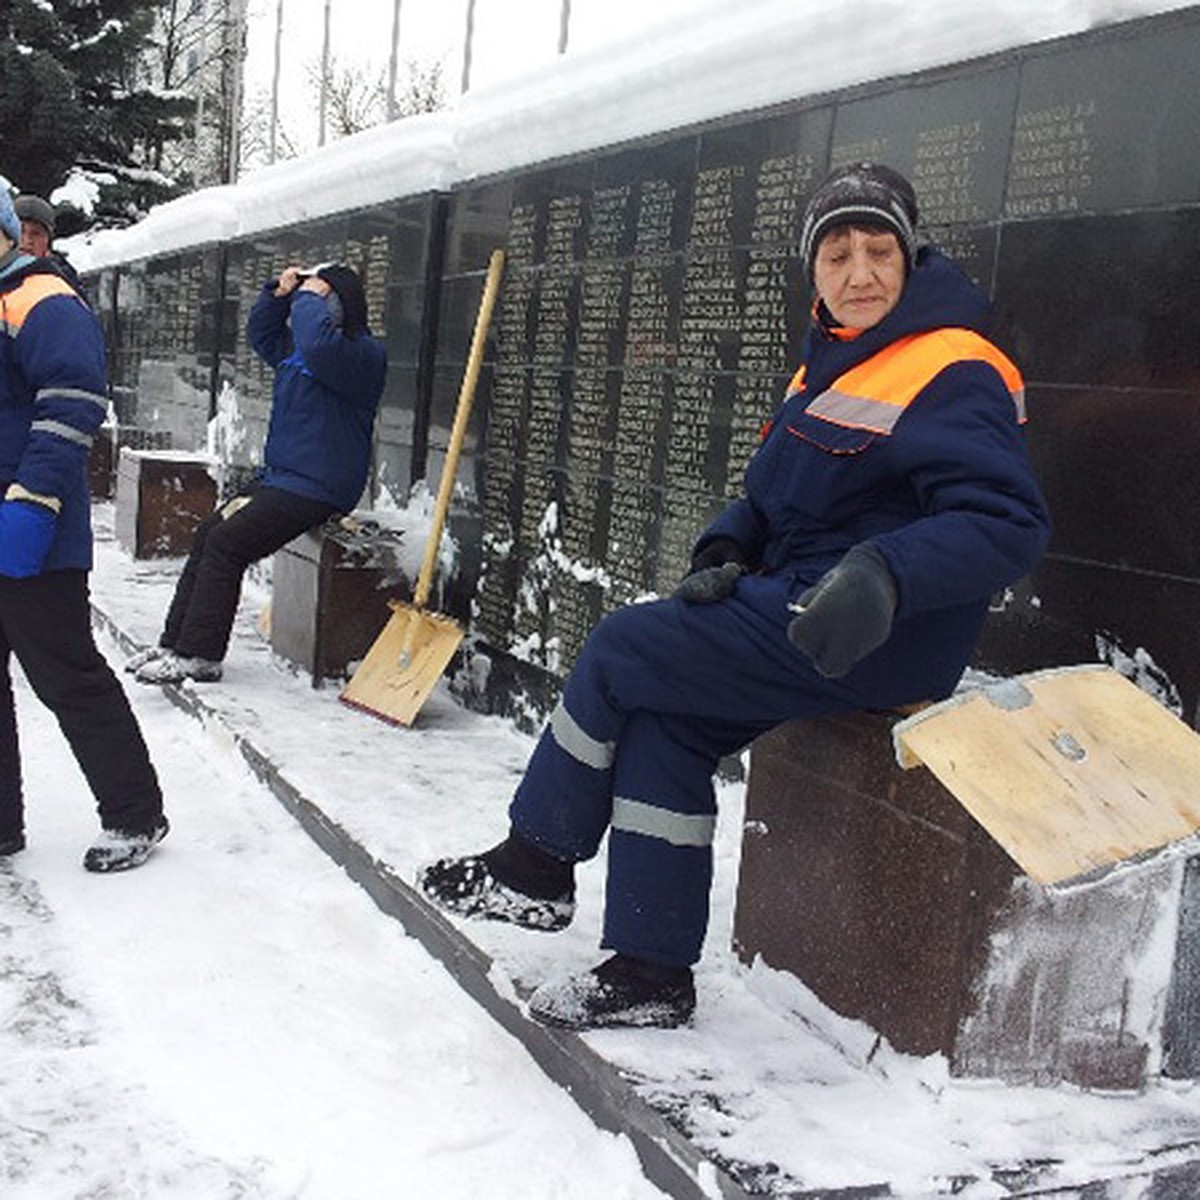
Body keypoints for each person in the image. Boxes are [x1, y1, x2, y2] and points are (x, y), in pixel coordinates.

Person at [418, 163, 1052, 1030]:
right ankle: (650, 968)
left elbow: (1007, 520)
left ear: (909, 258)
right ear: (814, 270)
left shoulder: (952, 363)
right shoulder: (829, 361)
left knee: (621, 649)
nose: (858, 273)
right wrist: (730, 541)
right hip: (792, 595)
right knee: (665, 725)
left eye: (877, 250)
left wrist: (886, 573)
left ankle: (533, 865)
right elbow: (771, 493)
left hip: (869, 631)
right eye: (837, 254)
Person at [0, 184, 168, 872]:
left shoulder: (38, 297)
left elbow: (73, 400)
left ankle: (135, 814)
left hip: (30, 528)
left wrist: (32, 502)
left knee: (66, 674)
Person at [130, 262, 386, 684]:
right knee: (211, 532)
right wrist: (278, 295)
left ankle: (201, 655)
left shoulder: (361, 354)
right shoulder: (303, 348)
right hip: (284, 478)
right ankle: (174, 643)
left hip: (319, 485)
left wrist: (307, 297)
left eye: (324, 296)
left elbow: (319, 347)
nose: (315, 303)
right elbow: (263, 335)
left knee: (229, 544)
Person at [14, 194, 83, 290]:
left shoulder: (64, 284)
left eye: (36, 233)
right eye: (20, 231)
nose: (27, 240)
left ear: (48, 241)